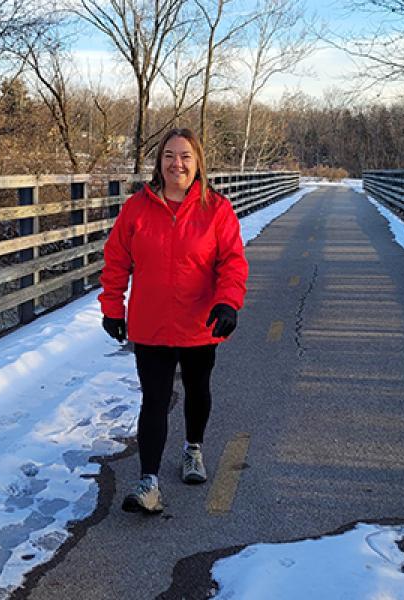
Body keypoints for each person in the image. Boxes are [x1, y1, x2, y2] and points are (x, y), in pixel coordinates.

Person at [98, 128, 249, 514]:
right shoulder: (137, 208)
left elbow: (232, 262)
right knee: (155, 399)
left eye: (184, 156)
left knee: (198, 391)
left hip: (201, 323)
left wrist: (228, 303)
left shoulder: (216, 209)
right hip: (152, 325)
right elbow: (117, 260)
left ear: (197, 162)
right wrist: (112, 307)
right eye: (168, 155)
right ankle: (148, 481)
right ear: (159, 162)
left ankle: (192, 449)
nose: (176, 163)